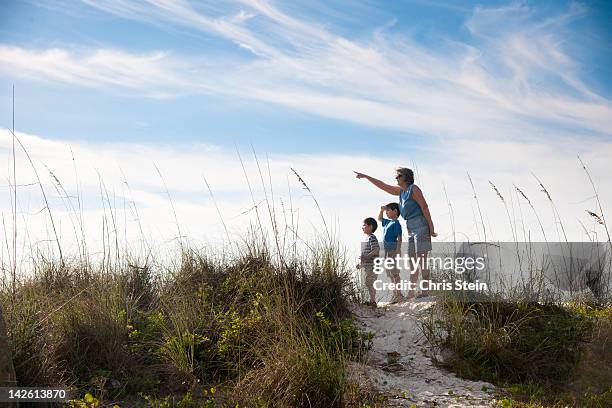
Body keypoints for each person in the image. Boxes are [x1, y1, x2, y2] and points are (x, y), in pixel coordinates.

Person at [355, 168, 437, 299]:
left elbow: (424, 207)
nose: (396, 178)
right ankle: (411, 292)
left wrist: (431, 228)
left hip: (421, 225)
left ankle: (425, 290)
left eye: (398, 176)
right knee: (412, 261)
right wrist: (366, 176)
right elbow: (383, 185)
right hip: (410, 227)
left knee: (422, 259)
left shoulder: (413, 189)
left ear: (406, 177)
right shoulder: (401, 192)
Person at [378, 203, 403, 303]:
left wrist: (398, 250)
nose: (387, 213)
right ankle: (395, 294)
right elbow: (380, 219)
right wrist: (382, 210)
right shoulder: (388, 222)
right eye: (386, 211)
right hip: (386, 251)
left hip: (392, 251)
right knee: (389, 273)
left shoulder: (396, 223)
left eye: (388, 210)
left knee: (394, 273)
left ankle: (399, 294)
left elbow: (399, 238)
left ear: (395, 211)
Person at [357, 217, 380, 307]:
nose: (362, 227)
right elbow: (365, 256)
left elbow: (376, 249)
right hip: (368, 265)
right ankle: (372, 301)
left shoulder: (372, 237)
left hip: (373, 265)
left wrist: (366, 256)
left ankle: (373, 301)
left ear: (370, 227)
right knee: (368, 282)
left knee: (369, 282)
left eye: (364, 225)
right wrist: (361, 264)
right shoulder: (366, 239)